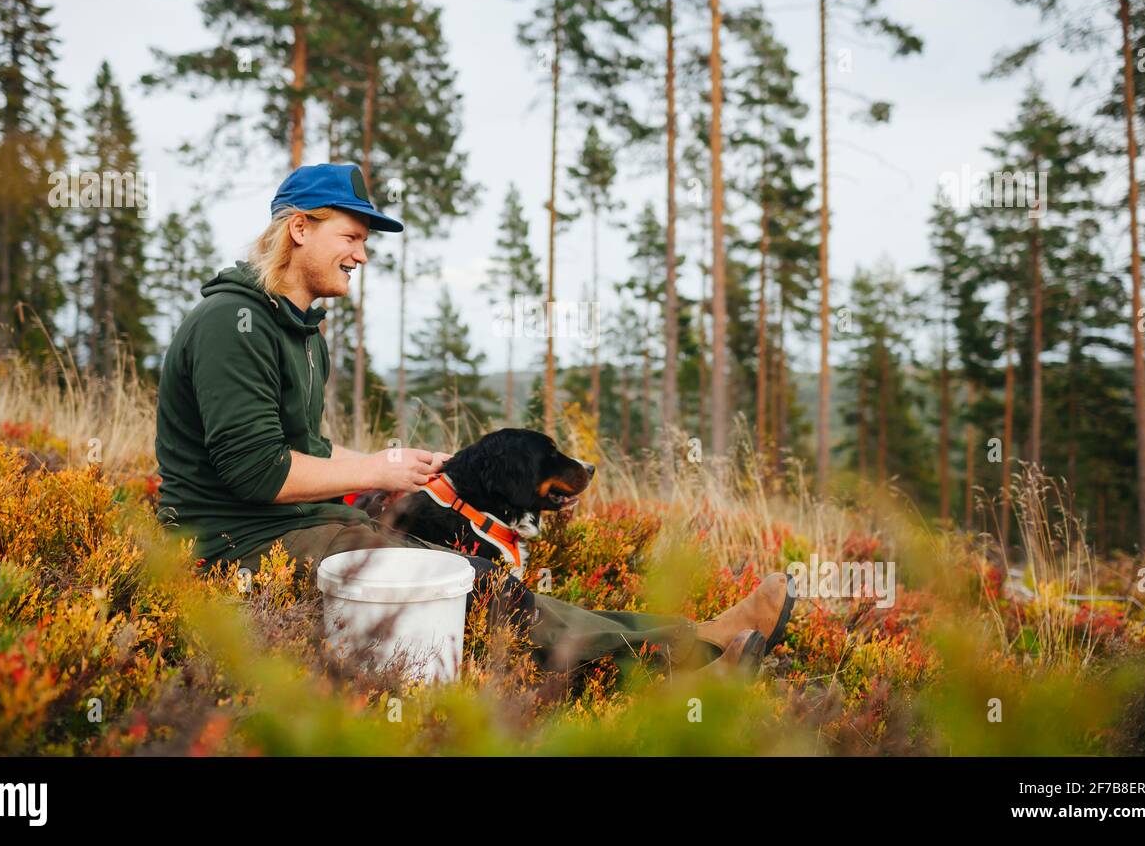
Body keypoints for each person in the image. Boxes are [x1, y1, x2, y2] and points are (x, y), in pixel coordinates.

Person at [154, 162, 794, 676]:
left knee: (482, 580)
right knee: (471, 592)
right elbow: (255, 471)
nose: (362, 255)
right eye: (350, 237)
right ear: (300, 230)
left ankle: (696, 636)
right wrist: (380, 468)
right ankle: (690, 661)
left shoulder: (300, 332)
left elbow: (307, 450)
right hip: (236, 543)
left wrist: (399, 465)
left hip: (299, 523)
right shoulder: (231, 326)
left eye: (365, 242)